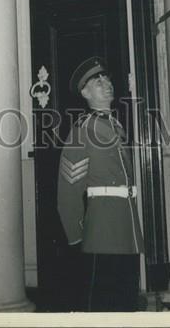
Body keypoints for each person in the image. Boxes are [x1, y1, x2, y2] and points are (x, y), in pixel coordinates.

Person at [57, 56, 143, 311]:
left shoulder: (114, 126)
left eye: (106, 78)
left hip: (126, 227)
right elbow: (68, 190)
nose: (106, 83)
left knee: (126, 302)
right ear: (85, 92)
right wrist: (77, 237)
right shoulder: (83, 130)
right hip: (101, 231)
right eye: (97, 81)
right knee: (103, 306)